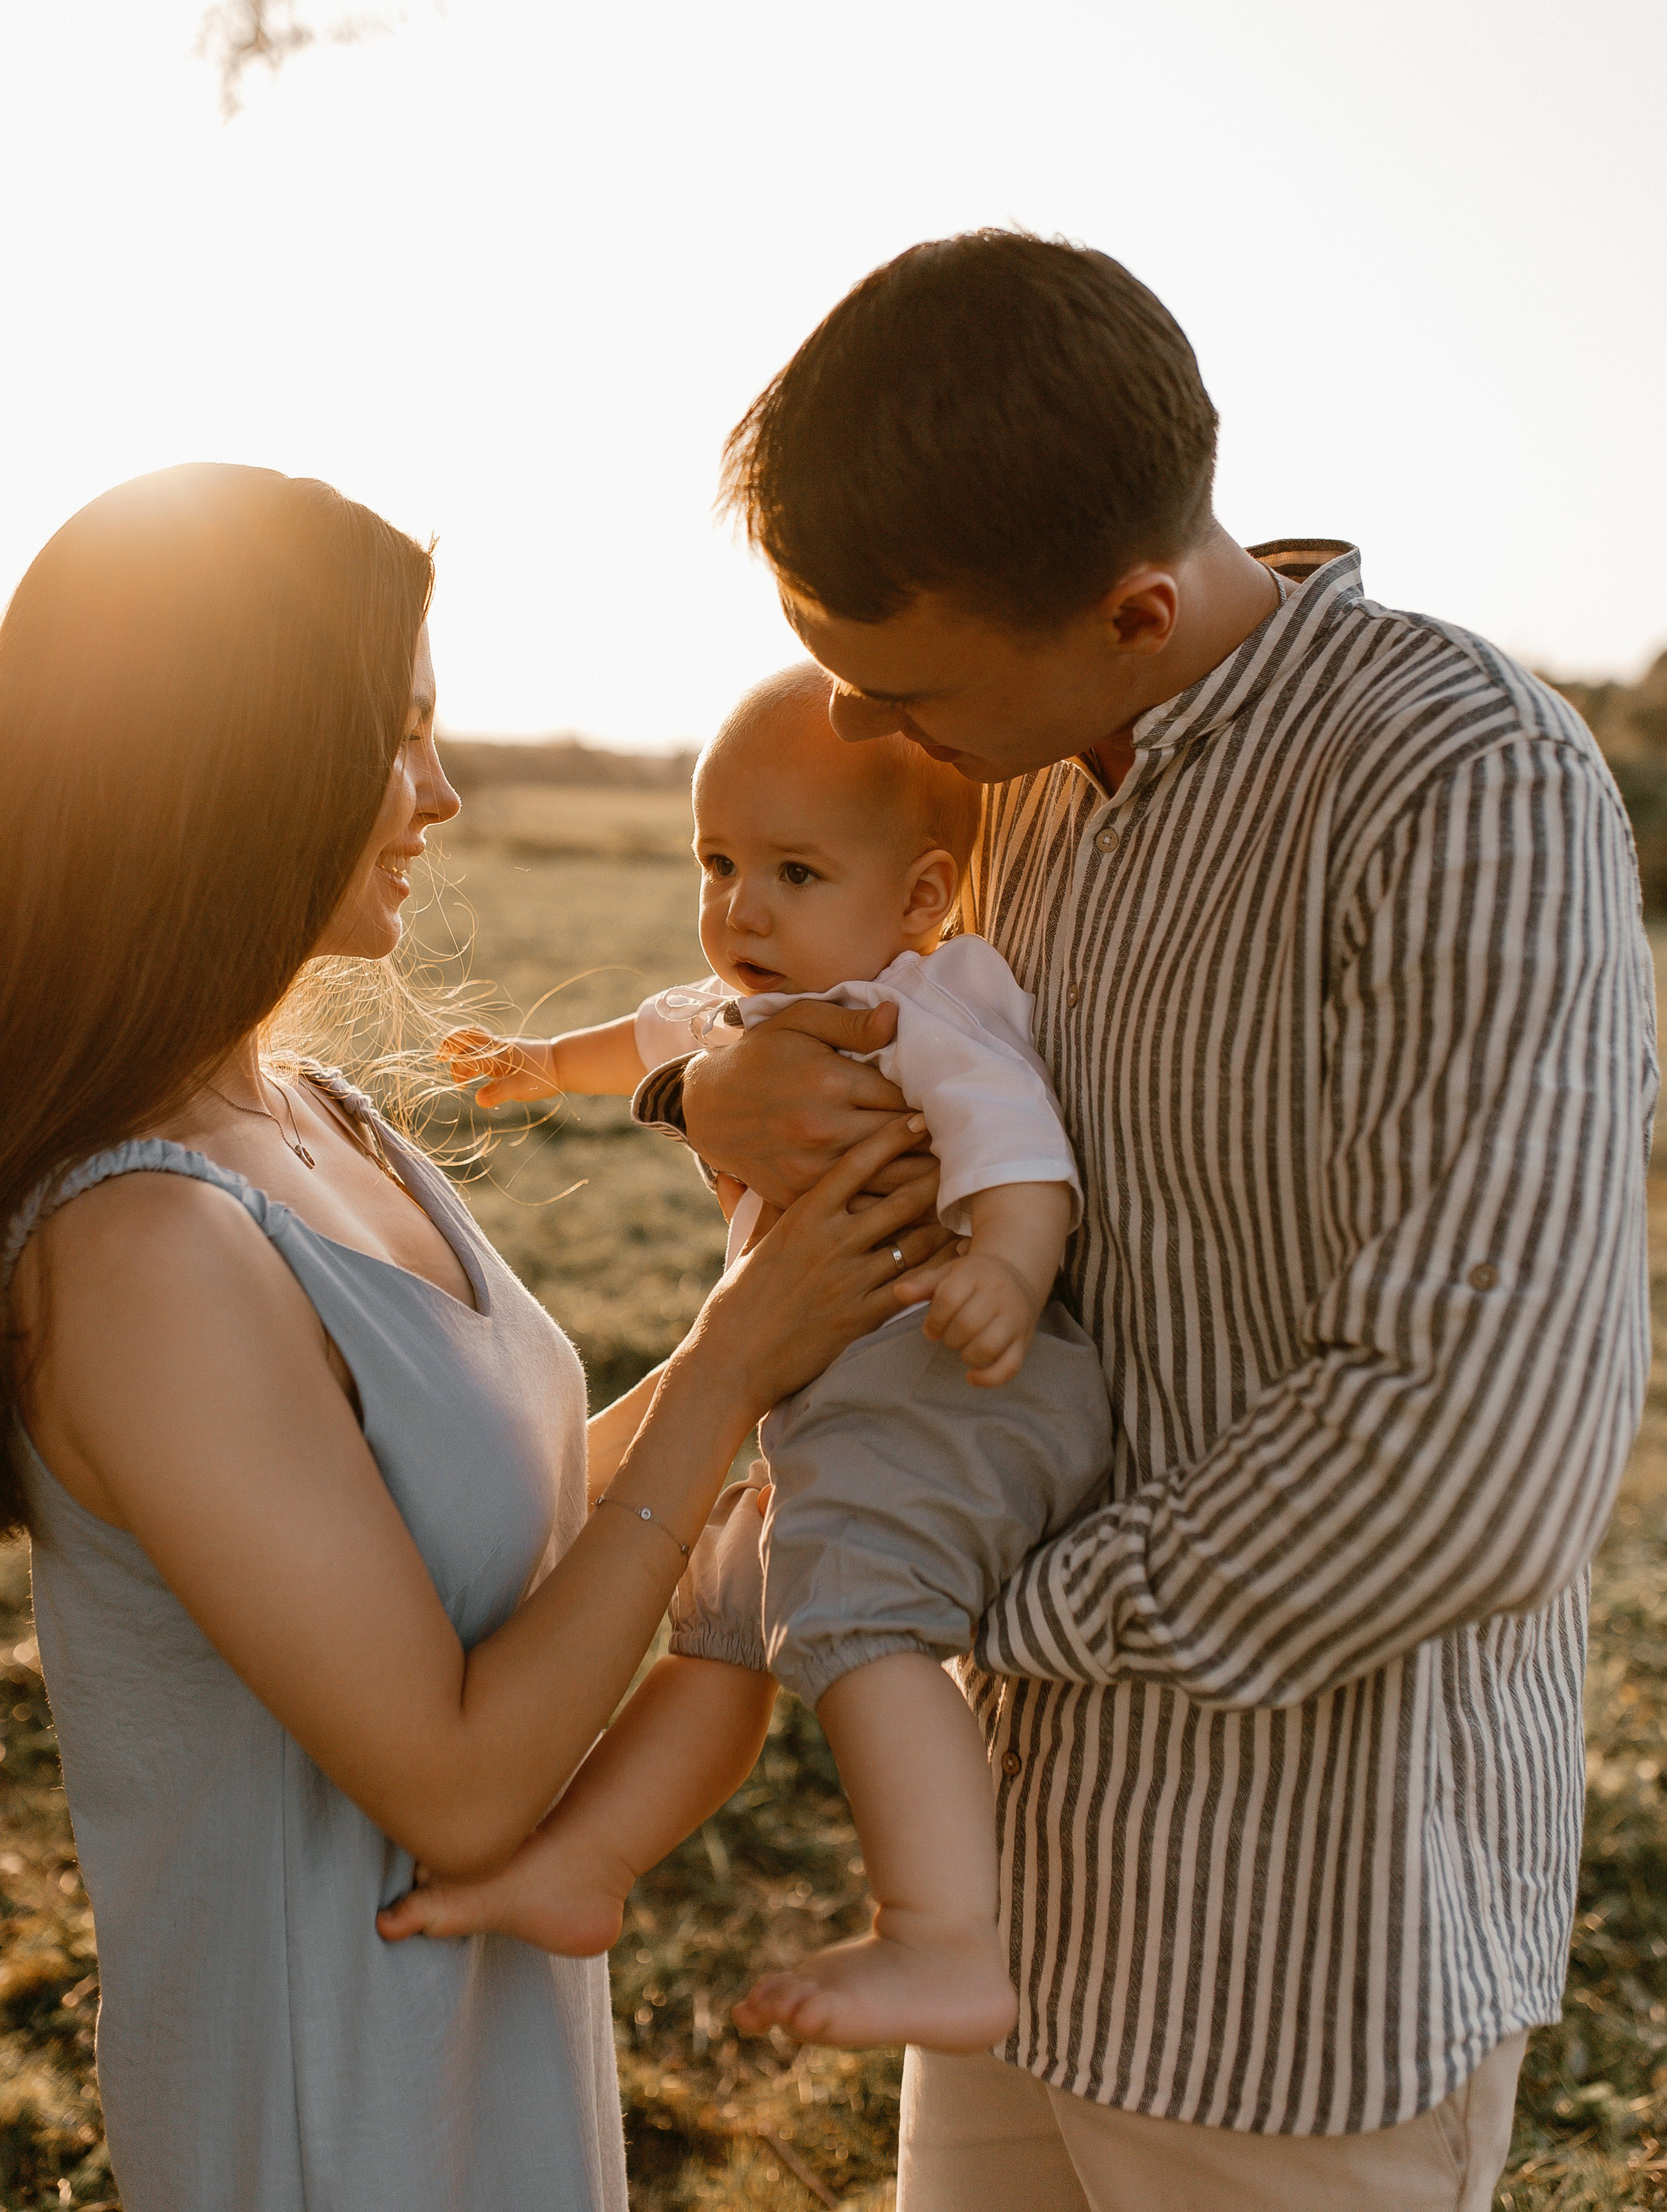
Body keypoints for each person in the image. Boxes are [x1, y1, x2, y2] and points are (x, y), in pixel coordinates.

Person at [629, 233, 1658, 2212]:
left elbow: (1471, 1455)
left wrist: (949, 1610)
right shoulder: (1002, 777)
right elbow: (849, 1066)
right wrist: (709, 1088)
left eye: (897, 679)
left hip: (1305, 1951)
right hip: (1027, 1900)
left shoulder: (1462, 786)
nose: (855, 714)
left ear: (1132, 607)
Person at [0, 464, 947, 2212]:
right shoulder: (139, 1248)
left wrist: (805, 1331)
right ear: (241, 766)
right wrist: (732, 1361)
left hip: (483, 2023)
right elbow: (455, 1781)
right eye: (402, 735)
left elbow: (486, 1533)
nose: (441, 792)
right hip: (328, 2084)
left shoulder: (324, 1118)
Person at [382, 663, 1112, 2052]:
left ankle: (944, 1937)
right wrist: (540, 1066)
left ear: (914, 900)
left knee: (855, 1612)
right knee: (718, 1621)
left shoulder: (922, 1007)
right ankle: (583, 1863)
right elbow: (647, 1040)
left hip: (937, 1380)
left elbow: (1019, 1147)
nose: (741, 908)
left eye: (791, 870)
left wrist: (1008, 1273)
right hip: (829, 1394)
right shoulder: (746, 1011)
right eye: (716, 863)